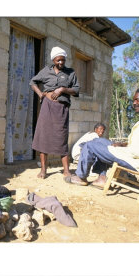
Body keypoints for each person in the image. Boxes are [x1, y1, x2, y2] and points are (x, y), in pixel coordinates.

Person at [69, 86, 139, 187]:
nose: (134, 103)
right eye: (134, 100)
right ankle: (102, 179)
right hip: (132, 156)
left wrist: (118, 150)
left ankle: (81, 177)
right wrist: (122, 144)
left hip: (135, 161)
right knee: (100, 142)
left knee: (90, 145)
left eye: (137, 100)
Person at [30, 46, 80, 180]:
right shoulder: (46, 71)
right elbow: (33, 82)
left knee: (61, 137)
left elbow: (76, 90)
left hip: (62, 108)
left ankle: (66, 170)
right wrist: (40, 94)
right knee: (44, 137)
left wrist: (63, 89)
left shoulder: (70, 73)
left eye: (63, 60)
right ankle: (43, 170)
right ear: (53, 60)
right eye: (58, 60)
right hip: (47, 107)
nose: (61, 63)